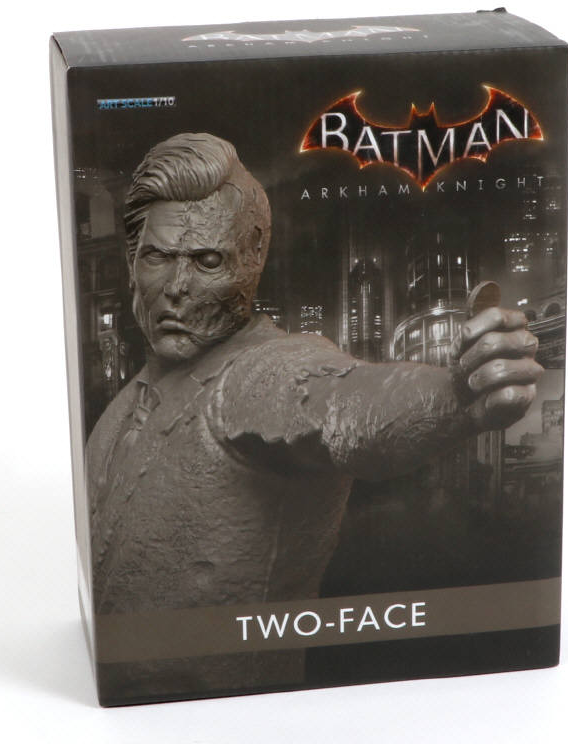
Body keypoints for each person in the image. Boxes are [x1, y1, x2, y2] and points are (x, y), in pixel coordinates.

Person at [85, 133, 543, 697]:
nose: (177, 288)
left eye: (207, 261)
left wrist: (457, 396)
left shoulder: (257, 374)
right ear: (133, 262)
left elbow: (346, 402)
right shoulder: (121, 408)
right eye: (158, 257)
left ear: (252, 261)